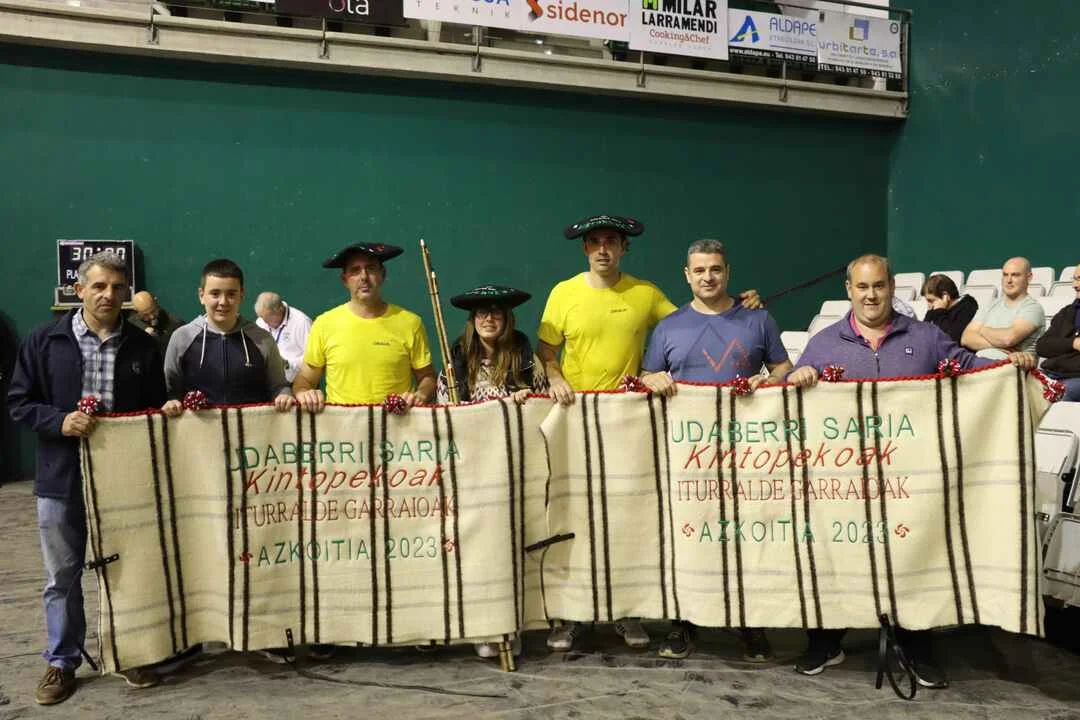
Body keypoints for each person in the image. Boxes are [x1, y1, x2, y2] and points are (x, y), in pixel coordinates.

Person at [787, 253, 1036, 688]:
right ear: (849, 290)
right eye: (862, 287)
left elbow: (968, 368)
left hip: (911, 481)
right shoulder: (823, 343)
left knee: (913, 561)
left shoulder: (925, 337)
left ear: (891, 287)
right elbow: (790, 392)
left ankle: (916, 647)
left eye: (878, 286)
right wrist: (798, 376)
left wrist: (1008, 367)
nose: (871, 295)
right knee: (834, 558)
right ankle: (825, 641)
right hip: (843, 482)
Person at [536, 214, 761, 652]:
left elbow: (696, 321)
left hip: (627, 424)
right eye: (595, 242)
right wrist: (555, 376)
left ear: (624, 249)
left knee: (624, 519)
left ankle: (627, 612)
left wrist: (741, 304)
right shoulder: (563, 293)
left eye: (612, 241)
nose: (603, 249)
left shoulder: (645, 294)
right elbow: (546, 350)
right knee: (574, 518)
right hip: (575, 421)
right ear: (585, 249)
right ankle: (572, 616)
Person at [8, 253, 167, 704]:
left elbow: (154, 408)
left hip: (124, 482)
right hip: (61, 480)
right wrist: (59, 421)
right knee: (62, 576)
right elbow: (19, 402)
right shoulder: (44, 341)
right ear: (79, 291)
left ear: (127, 294)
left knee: (129, 571)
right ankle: (62, 662)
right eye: (99, 286)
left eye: (117, 287)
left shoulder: (142, 347)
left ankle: (132, 652)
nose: (108, 295)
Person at [638, 238, 792, 662]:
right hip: (687, 457)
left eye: (716, 269)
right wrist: (652, 380)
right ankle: (683, 623)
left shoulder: (758, 319)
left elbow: (783, 368)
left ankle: (751, 625)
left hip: (746, 454)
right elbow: (647, 375)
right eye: (700, 270)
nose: (708, 277)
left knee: (745, 537)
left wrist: (770, 381)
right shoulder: (668, 327)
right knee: (688, 537)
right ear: (687, 275)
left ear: (728, 273)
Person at [437, 284, 547, 660]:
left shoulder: (525, 357)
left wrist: (526, 400)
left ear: (507, 319)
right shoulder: (455, 360)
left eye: (496, 313)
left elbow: (542, 404)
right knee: (478, 549)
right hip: (472, 469)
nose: (488, 319)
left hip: (516, 466)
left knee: (513, 545)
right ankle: (483, 625)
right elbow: (443, 410)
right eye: (481, 313)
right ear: (472, 320)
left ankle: (512, 624)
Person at [293, 243, 435, 412]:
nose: (364, 277)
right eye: (355, 270)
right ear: (344, 280)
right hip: (343, 426)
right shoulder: (324, 324)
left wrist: (421, 394)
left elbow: (427, 377)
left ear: (382, 274)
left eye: (371, 268)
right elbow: (305, 379)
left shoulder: (410, 323)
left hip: (397, 424)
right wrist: (304, 392)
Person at [161, 259, 294, 412]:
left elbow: (279, 386)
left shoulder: (262, 339)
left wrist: (284, 395)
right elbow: (170, 392)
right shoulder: (181, 338)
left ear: (241, 295)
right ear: (201, 295)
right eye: (215, 294)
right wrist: (172, 401)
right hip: (198, 427)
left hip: (253, 427)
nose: (223, 302)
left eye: (231, 294)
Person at [961, 257, 1045, 359]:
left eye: (1015, 275)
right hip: (980, 362)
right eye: (1005, 275)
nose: (1009, 280)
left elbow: (1008, 339)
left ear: (1029, 277)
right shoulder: (990, 304)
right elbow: (966, 338)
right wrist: (996, 345)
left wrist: (981, 330)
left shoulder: (1033, 308)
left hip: (1013, 365)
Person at [1035, 262, 1080, 401]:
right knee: (1014, 390)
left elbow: (1053, 345)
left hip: (1075, 379)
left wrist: (1060, 346)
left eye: (1079, 279)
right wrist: (1073, 343)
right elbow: (1042, 346)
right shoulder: (1067, 312)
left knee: (1055, 397)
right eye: (1074, 279)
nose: (1074, 285)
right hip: (1050, 373)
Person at [253, 292, 312, 383]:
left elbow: (312, 359)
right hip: (271, 382)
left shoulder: (302, 322)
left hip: (298, 382)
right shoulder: (261, 322)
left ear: (280, 309)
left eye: (269, 319)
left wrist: (287, 364)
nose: (266, 323)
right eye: (263, 318)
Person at [921, 274, 978, 343]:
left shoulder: (967, 305)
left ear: (945, 296)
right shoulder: (934, 309)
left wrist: (940, 311)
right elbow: (922, 333)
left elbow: (951, 337)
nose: (929, 305)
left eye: (931, 300)